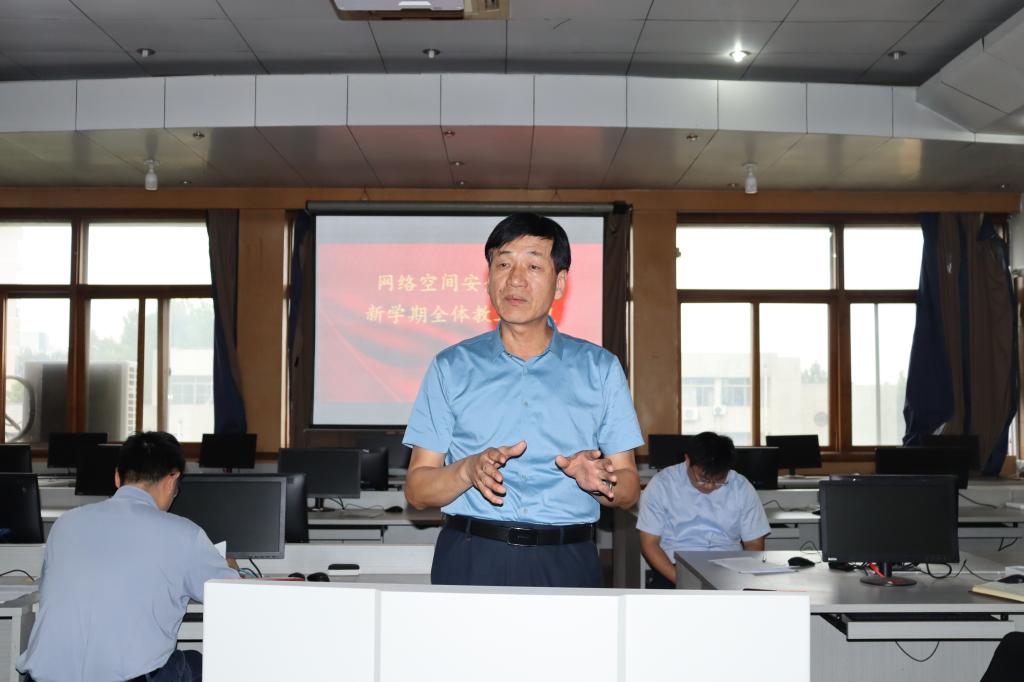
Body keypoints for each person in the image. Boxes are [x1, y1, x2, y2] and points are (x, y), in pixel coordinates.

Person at [403, 212, 644, 587]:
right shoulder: (450, 367)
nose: (515, 279)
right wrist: (467, 471)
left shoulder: (600, 368)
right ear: (489, 278)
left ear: (559, 283)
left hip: (567, 559)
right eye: (503, 264)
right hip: (471, 555)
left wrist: (600, 482)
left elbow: (628, 488)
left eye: (533, 265)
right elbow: (417, 490)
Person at [17, 431, 238, 682]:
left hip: (41, 679)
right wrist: (230, 568)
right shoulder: (184, 534)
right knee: (200, 664)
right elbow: (232, 597)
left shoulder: (65, 525)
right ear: (172, 480)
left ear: (117, 477)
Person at [636, 431, 770, 589]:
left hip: (728, 568)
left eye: (719, 480)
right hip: (676, 568)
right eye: (703, 479)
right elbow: (649, 544)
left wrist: (743, 577)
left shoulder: (741, 487)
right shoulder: (662, 484)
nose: (710, 486)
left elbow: (754, 543)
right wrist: (682, 581)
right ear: (687, 460)